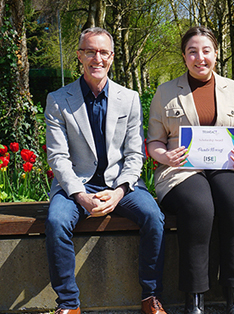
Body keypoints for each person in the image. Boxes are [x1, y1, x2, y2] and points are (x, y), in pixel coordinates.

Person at [44, 27, 166, 314]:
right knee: (56, 222)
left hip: (120, 185)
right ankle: (68, 304)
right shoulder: (58, 100)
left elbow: (135, 154)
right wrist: (80, 195)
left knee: (153, 216)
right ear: (79, 56)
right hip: (76, 185)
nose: (96, 58)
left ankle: (151, 297)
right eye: (90, 51)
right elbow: (58, 156)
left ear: (112, 57)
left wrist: (119, 191)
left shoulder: (130, 98)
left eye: (103, 52)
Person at [147, 26, 234, 314]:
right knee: (198, 206)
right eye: (192, 51)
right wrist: (165, 156)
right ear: (184, 56)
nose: (200, 57)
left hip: (226, 166)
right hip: (180, 169)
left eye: (206, 50)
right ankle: (195, 297)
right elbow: (154, 141)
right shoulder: (166, 91)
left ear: (216, 54)